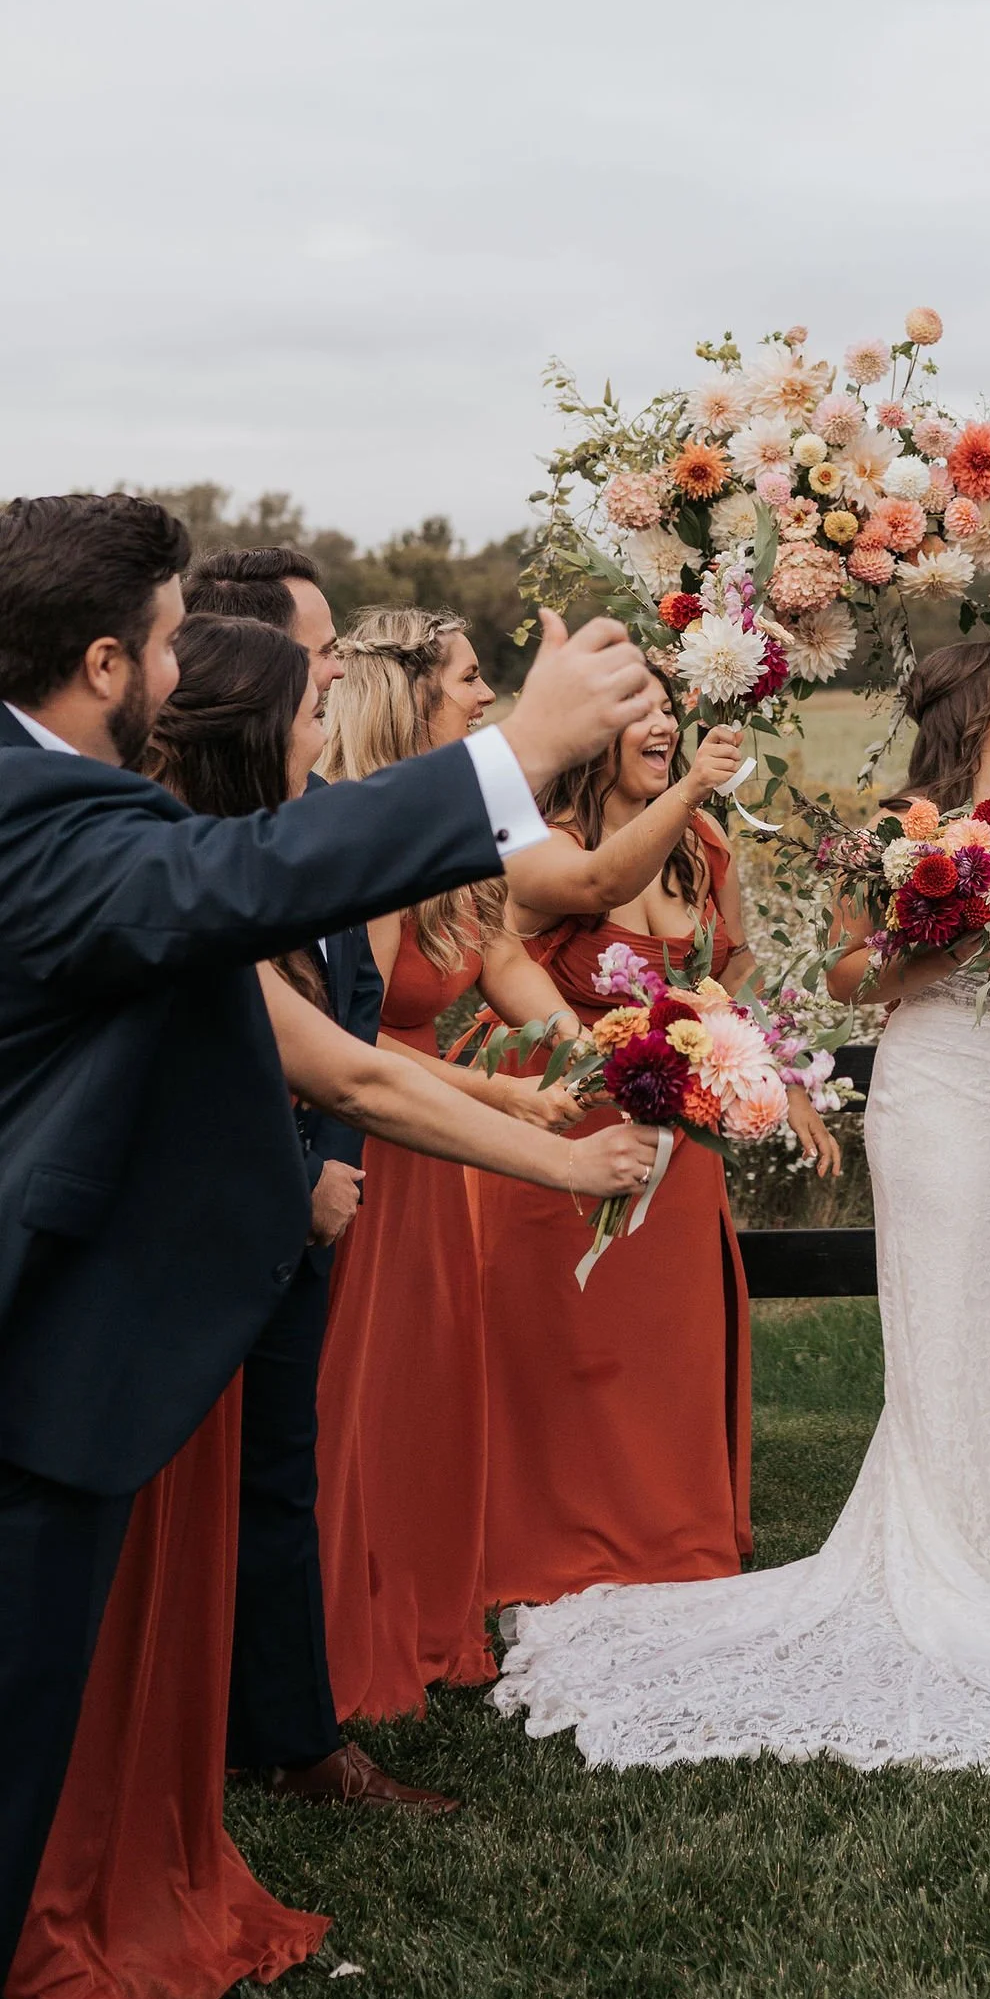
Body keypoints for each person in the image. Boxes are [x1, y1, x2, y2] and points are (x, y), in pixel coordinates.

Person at [0, 491, 652, 1999]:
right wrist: (516, 748)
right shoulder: (49, 816)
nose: (175, 672)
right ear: (96, 661)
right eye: (154, 643)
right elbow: (256, 881)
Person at [491, 640, 990, 1773]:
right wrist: (945, 943)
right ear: (982, 701)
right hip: (945, 1088)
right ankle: (956, 1548)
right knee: (952, 1312)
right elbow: (840, 977)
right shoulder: (891, 826)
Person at [308, 611, 745, 1717]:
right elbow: (358, 1049)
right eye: (469, 681)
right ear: (412, 701)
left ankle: (419, 1608)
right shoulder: (353, 839)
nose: (489, 700)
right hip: (367, 1142)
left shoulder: (451, 832)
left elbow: (505, 963)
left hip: (436, 1143)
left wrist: (609, 1048)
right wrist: (505, 1093)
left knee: (429, 1386)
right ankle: (343, 1628)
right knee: (363, 1392)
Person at [482, 678, 836, 1606]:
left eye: (667, 706)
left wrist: (777, 1074)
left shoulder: (704, 844)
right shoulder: (540, 846)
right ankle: (559, 1541)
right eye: (638, 709)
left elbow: (737, 966)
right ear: (591, 732)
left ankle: (673, 1540)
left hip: (677, 1140)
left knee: (663, 1349)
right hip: (568, 1128)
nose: (664, 723)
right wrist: (577, 1051)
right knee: (573, 1347)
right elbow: (530, 940)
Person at [179, 547, 405, 1805]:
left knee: (280, 1470)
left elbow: (353, 1019)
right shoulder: (183, 846)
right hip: (210, 1217)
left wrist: (334, 1171)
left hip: (313, 1213)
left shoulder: (319, 820)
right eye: (323, 655)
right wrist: (294, 1173)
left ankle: (289, 1732)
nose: (339, 672)